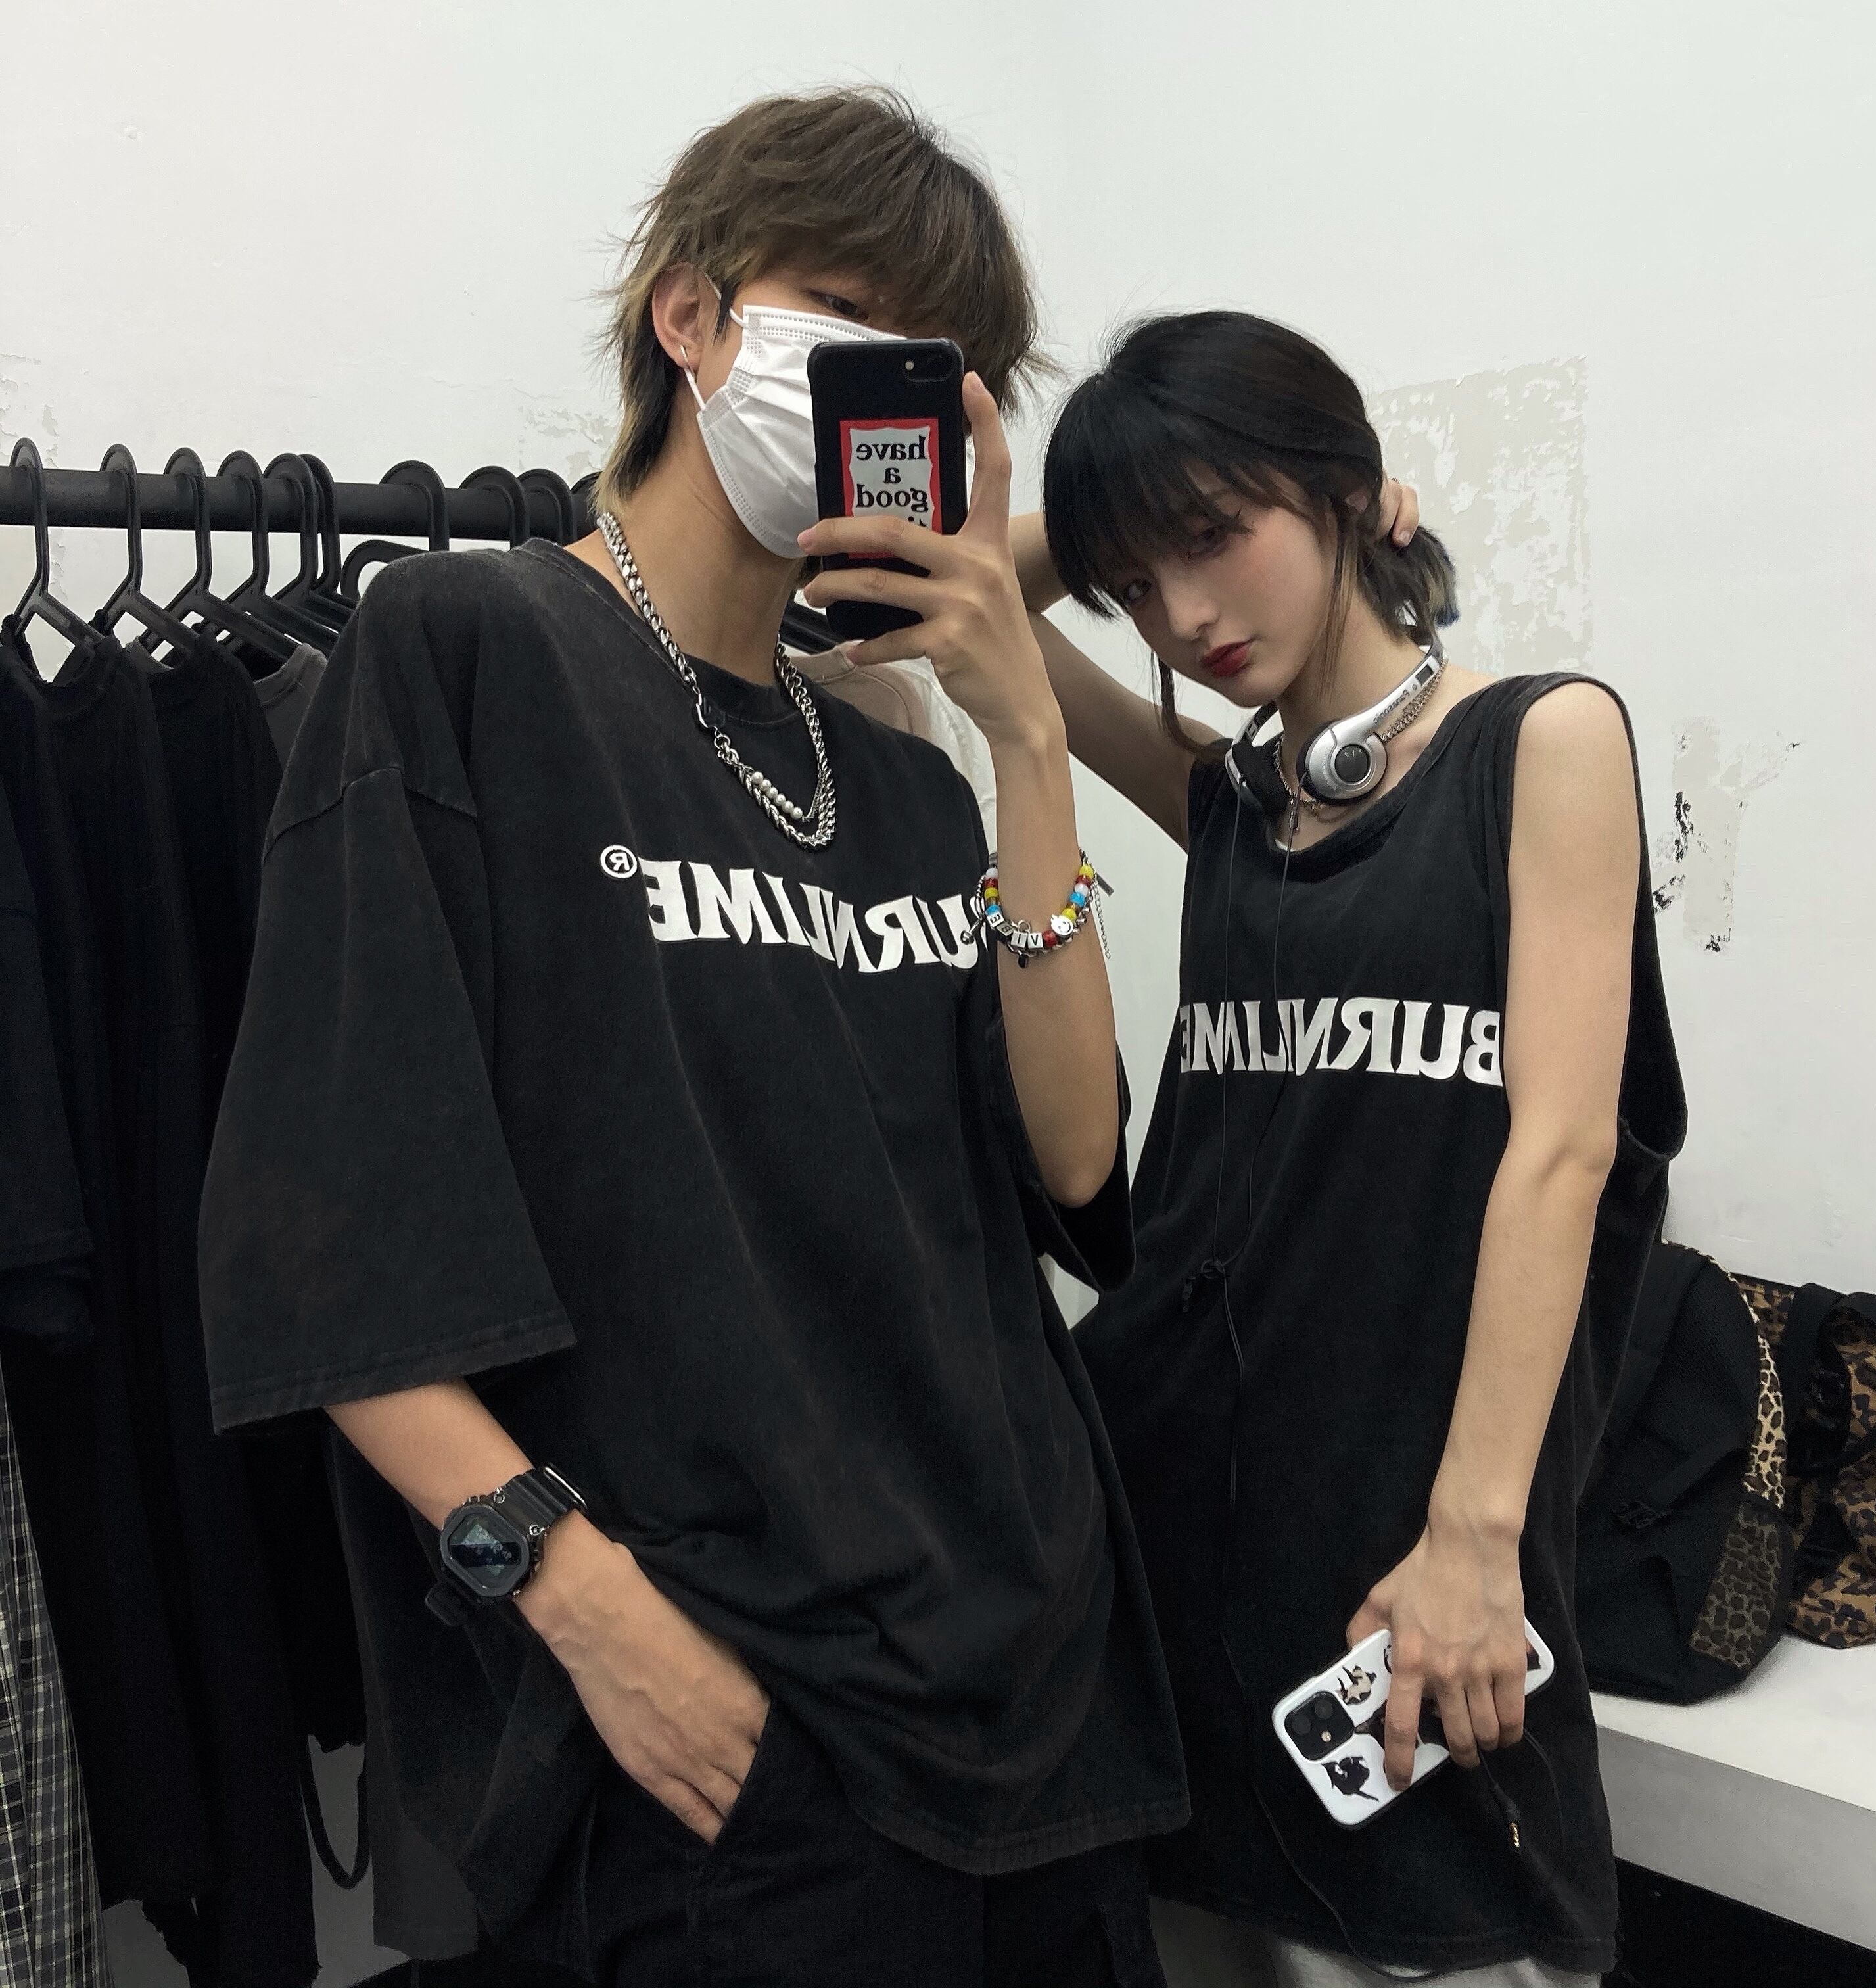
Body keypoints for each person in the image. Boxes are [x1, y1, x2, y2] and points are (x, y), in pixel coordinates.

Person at [197, 89, 1190, 1987]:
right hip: (740, 1754)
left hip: (1040, 1691)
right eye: (853, 314)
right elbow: (320, 1243)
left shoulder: (899, 767)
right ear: (691, 315)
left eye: (945, 361)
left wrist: (1027, 738)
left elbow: (1073, 1165)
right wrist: (583, 1606)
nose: (894, 378)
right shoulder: (466, 651)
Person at [986, 311, 1686, 1987]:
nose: (1184, 617)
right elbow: (964, 588)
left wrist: (1475, 1540)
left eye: (1216, 536)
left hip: (1416, 1577)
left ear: (1353, 492)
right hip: (1171, 1565)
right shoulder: (1237, 802)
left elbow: (1562, 1158)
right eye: (1135, 587)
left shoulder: (1541, 744)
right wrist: (1102, 508)